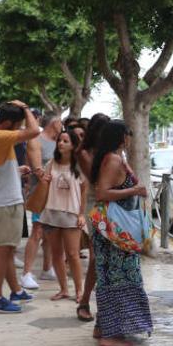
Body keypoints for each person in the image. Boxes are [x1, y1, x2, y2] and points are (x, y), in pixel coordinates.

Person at [91, 120, 152, 346]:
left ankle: (103, 327)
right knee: (119, 278)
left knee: (110, 277)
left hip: (114, 230)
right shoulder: (113, 159)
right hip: (115, 233)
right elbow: (102, 192)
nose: (131, 138)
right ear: (121, 136)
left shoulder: (114, 158)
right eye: (129, 134)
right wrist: (135, 190)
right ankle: (110, 334)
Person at [0, 101, 39, 313]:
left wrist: (15, 170)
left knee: (7, 251)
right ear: (6, 123)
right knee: (1, 254)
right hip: (5, 204)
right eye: (16, 125)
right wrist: (26, 108)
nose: (18, 129)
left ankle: (15, 290)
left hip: (3, 201)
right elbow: (34, 131)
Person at [40, 128, 86, 301]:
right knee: (56, 254)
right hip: (51, 212)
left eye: (66, 141)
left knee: (73, 255)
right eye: (60, 140)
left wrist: (81, 214)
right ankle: (64, 289)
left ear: (74, 145)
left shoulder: (79, 166)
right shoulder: (52, 163)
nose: (60, 143)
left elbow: (83, 191)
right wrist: (42, 177)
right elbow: (44, 184)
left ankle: (79, 291)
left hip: (71, 214)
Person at [20, 114, 60, 290]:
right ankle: (26, 273)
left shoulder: (59, 141)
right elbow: (37, 169)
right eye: (61, 122)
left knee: (50, 233)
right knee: (37, 231)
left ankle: (47, 268)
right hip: (41, 193)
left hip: (56, 194)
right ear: (54, 123)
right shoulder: (36, 140)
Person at [75, 113, 108, 322]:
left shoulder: (109, 152)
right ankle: (85, 301)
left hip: (110, 204)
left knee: (105, 258)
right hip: (95, 205)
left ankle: (103, 304)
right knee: (97, 258)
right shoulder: (84, 152)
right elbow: (97, 181)